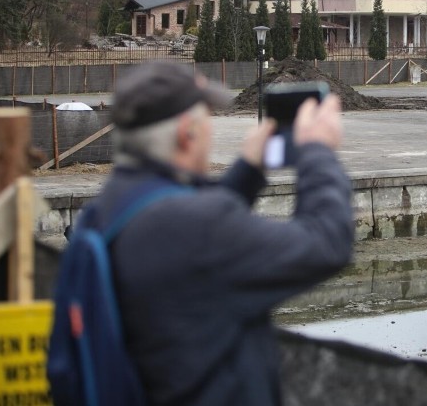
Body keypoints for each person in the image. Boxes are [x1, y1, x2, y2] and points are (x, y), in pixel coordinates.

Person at [86, 62, 353, 405]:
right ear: (187, 133)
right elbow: (326, 243)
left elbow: (192, 235)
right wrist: (318, 152)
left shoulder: (111, 206)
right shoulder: (197, 227)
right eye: (207, 117)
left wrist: (248, 170)